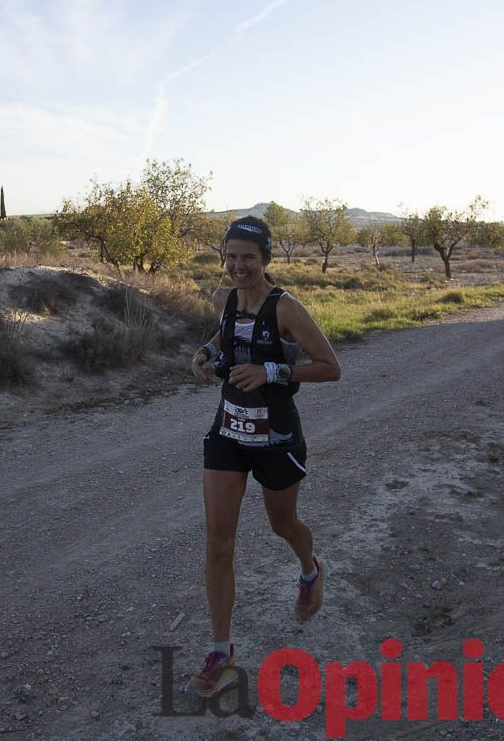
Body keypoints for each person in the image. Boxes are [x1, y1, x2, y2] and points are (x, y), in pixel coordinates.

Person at [186, 217, 342, 697]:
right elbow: (226, 336)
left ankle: (311, 570)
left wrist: (271, 370)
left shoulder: (287, 308)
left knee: (282, 525)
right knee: (218, 542)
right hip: (229, 432)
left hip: (275, 438)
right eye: (231, 256)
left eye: (248, 257)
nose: (238, 266)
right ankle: (220, 650)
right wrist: (206, 351)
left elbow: (330, 368)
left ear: (267, 259)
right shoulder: (224, 298)